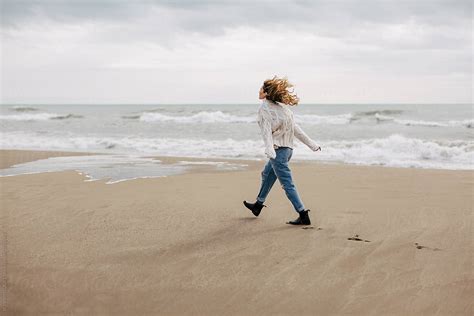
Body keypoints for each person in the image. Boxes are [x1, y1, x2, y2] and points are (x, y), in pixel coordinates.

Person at [243, 76, 321, 225]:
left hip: (278, 152)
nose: (258, 91)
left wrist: (270, 150)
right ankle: (258, 205)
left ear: (266, 93)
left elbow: (266, 132)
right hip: (288, 150)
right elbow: (295, 129)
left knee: (287, 184)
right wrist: (311, 144)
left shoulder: (264, 108)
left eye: (261, 89)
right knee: (267, 173)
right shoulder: (283, 108)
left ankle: (303, 213)